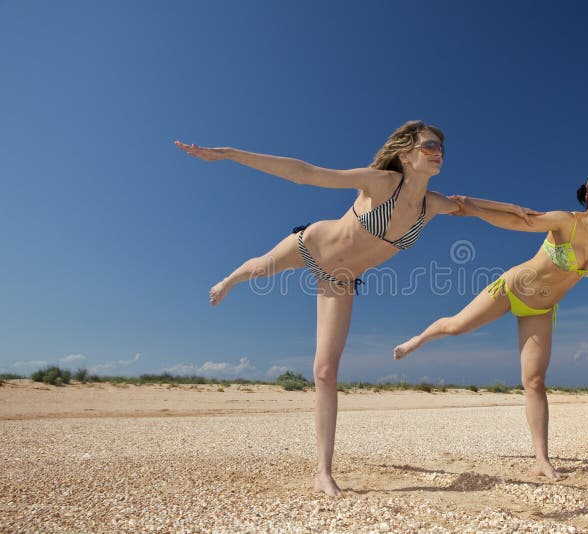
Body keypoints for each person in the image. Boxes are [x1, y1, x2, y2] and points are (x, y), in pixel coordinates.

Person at [175, 121, 536, 496]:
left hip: (341, 280)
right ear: (405, 156)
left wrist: (520, 211)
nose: (438, 153)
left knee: (325, 372)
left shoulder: (432, 204)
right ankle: (228, 281)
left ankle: (323, 473)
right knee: (259, 268)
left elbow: (471, 206)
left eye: (441, 149)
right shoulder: (382, 183)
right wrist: (230, 154)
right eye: (429, 147)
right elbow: (306, 174)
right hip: (311, 245)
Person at [393, 171, 588, 481]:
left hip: (540, 309)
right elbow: (518, 221)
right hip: (511, 288)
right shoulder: (565, 221)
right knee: (457, 326)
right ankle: (417, 340)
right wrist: (474, 209)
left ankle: (541, 459)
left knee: (535, 381)